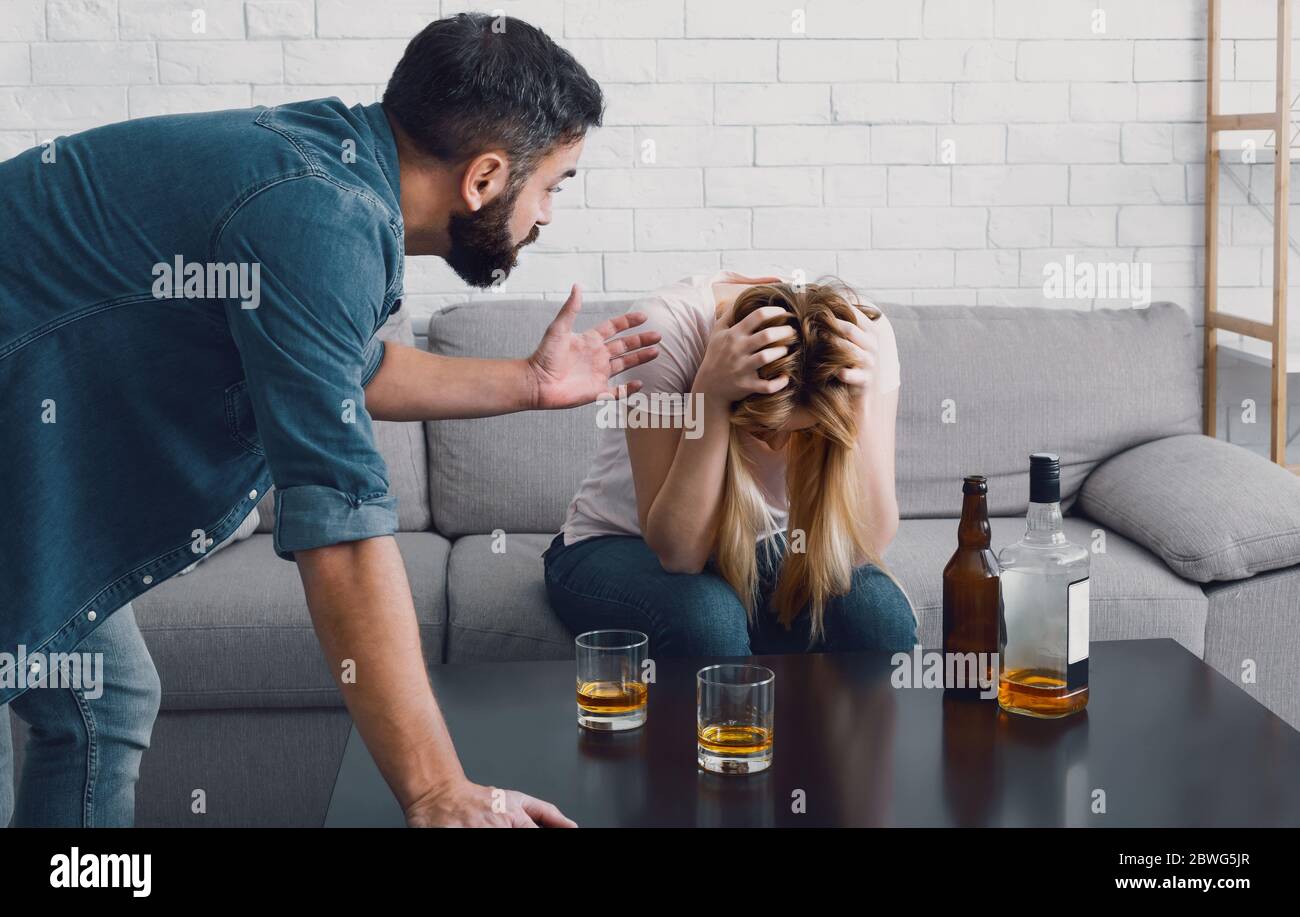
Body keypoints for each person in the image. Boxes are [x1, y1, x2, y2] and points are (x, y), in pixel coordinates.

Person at [0, 13, 656, 828]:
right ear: (486, 177)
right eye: (553, 184)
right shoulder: (317, 222)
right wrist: (436, 790)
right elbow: (340, 533)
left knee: (102, 700)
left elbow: (344, 369)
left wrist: (528, 381)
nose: (549, 215)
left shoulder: (324, 172)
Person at [545, 272, 917, 656]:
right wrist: (709, 394)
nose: (778, 446)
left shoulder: (865, 341)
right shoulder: (665, 330)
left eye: (803, 432)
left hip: (760, 546)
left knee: (879, 616)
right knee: (707, 619)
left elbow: (866, 546)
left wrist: (861, 404)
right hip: (619, 542)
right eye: (761, 430)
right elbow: (681, 554)